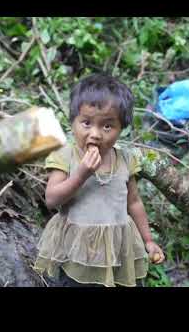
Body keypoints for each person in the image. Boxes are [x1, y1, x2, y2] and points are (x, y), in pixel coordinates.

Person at [34, 73, 165, 287]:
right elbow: (51, 199)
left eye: (107, 126)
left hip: (118, 247)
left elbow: (134, 202)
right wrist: (81, 174)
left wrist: (148, 240)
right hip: (77, 250)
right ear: (72, 122)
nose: (95, 134)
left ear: (121, 128)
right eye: (86, 123)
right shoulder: (66, 155)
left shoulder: (124, 159)